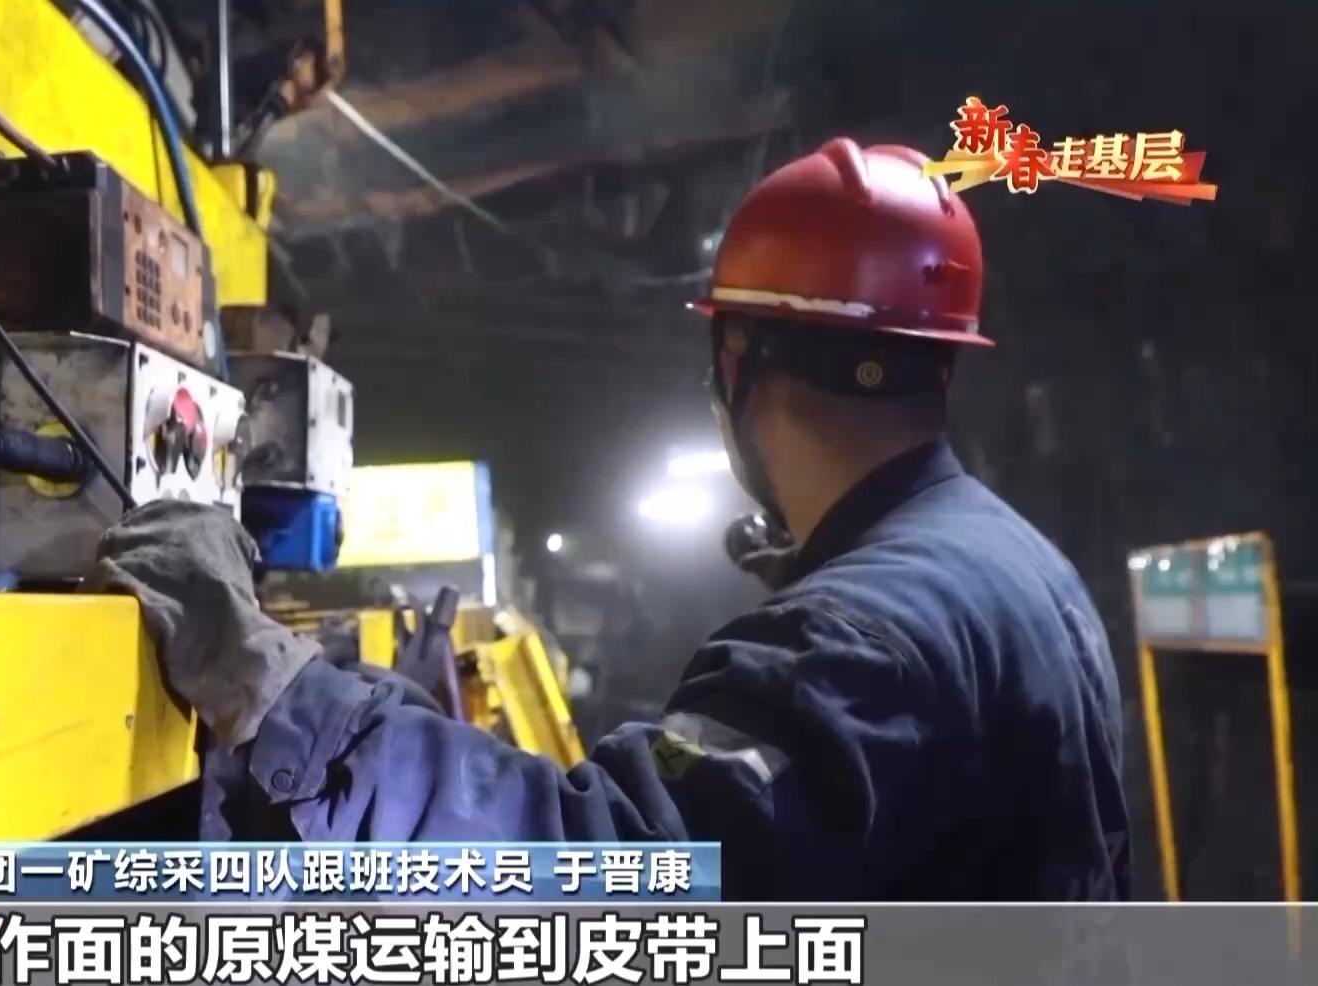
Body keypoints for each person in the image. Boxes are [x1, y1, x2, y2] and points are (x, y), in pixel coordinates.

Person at [90, 137, 1131, 900]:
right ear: (941, 359)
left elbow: (606, 869)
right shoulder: (1023, 568)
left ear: (736, 360)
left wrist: (274, 686)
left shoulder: (854, 636)